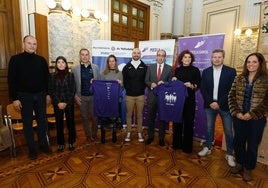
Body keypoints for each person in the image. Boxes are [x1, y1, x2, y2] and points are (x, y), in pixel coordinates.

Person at [7, 35, 51, 160]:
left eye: (34, 44)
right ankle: (32, 149)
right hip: (23, 96)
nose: (32, 46)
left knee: (42, 121)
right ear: (23, 44)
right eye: (29, 43)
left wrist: (47, 94)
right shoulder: (15, 60)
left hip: (40, 95)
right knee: (27, 123)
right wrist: (14, 98)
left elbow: (46, 79)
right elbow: (11, 80)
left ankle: (43, 145)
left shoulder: (41, 60)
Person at [228, 52, 268, 181]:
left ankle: (248, 168)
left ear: (260, 63)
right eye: (249, 61)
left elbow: (266, 102)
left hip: (256, 119)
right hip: (239, 117)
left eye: (254, 61)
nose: (251, 64)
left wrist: (251, 114)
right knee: (238, 141)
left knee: (252, 144)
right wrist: (237, 112)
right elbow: (231, 96)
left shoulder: (266, 80)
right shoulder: (238, 78)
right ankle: (239, 163)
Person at [198, 49, 236, 167]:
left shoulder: (231, 71)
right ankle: (208, 147)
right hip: (209, 105)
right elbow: (203, 88)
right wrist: (211, 102)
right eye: (214, 57)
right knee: (209, 128)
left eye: (219, 57)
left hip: (224, 106)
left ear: (223, 58)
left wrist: (219, 102)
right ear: (211, 58)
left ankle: (229, 154)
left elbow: (231, 90)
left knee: (228, 131)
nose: (217, 59)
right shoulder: (206, 71)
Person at [172, 50, 201, 153]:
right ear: (181, 59)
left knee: (188, 123)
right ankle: (176, 144)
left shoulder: (195, 70)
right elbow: (174, 85)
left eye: (189, 57)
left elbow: (198, 84)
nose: (187, 59)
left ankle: (187, 147)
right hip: (179, 101)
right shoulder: (177, 70)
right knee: (177, 122)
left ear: (191, 59)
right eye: (185, 57)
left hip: (190, 100)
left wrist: (192, 85)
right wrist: (174, 80)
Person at [145, 49, 173, 146]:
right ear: (156, 56)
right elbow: (146, 80)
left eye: (162, 55)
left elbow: (170, 83)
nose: (160, 57)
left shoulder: (169, 69)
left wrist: (164, 83)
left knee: (162, 119)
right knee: (151, 118)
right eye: (159, 55)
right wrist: (151, 84)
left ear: (165, 57)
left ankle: (161, 138)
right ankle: (150, 136)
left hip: (163, 99)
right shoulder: (150, 67)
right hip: (152, 97)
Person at [72, 48, 101, 143]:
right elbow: (73, 85)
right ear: (80, 56)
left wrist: (95, 83)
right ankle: (88, 136)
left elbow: (99, 82)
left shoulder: (95, 67)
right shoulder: (75, 69)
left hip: (93, 97)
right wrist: (75, 96)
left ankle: (94, 134)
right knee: (85, 118)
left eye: (86, 54)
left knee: (95, 117)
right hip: (82, 97)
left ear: (89, 56)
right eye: (82, 55)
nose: (84, 56)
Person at [48, 56, 76, 152]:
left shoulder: (71, 75)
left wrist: (66, 102)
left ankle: (71, 142)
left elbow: (73, 90)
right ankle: (60, 143)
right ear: (56, 64)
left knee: (70, 123)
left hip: (69, 103)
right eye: (58, 62)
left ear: (66, 64)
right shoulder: (52, 76)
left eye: (63, 62)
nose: (60, 64)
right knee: (59, 124)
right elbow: (51, 91)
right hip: (57, 104)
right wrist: (58, 102)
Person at [122, 48, 147, 142]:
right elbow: (124, 81)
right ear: (132, 54)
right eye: (134, 53)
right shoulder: (127, 66)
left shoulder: (144, 66)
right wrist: (129, 88)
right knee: (129, 115)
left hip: (140, 95)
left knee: (140, 115)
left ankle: (139, 132)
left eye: (138, 53)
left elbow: (146, 80)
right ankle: (128, 132)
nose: (136, 54)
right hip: (129, 96)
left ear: (140, 55)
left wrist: (141, 88)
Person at [99, 54, 123, 143]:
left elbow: (122, 87)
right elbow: (100, 87)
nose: (112, 63)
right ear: (107, 63)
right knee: (104, 119)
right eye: (110, 61)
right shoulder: (103, 73)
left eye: (113, 61)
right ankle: (103, 136)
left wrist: (120, 83)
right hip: (106, 101)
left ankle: (114, 135)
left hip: (116, 101)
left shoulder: (120, 73)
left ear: (116, 62)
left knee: (115, 119)